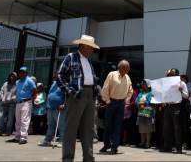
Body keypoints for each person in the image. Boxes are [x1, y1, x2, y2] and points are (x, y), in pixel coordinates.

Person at [57, 34, 100, 162]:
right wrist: (70, 91)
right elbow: (59, 75)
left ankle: (88, 158)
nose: (92, 51)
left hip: (89, 95)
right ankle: (68, 158)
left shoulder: (88, 61)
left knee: (88, 129)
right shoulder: (71, 57)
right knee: (71, 128)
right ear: (84, 46)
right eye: (91, 48)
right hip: (77, 95)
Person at [100, 59, 133, 155]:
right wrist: (107, 101)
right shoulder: (112, 74)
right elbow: (105, 88)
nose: (127, 70)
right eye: (125, 68)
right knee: (108, 125)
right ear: (120, 67)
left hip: (121, 104)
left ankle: (114, 147)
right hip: (111, 102)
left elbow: (130, 90)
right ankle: (106, 145)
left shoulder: (127, 77)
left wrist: (126, 100)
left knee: (118, 126)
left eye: (128, 68)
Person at [6, 66, 36, 144]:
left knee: (24, 120)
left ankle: (23, 138)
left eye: (23, 72)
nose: (21, 73)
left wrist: (32, 99)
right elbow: (14, 90)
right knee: (18, 120)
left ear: (26, 73)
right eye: (20, 72)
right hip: (18, 103)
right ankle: (17, 137)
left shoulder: (29, 81)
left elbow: (34, 90)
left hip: (26, 102)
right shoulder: (17, 82)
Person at [161, 68, 188, 153]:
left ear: (177, 75)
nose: (171, 75)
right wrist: (163, 101)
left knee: (177, 128)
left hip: (176, 107)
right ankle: (167, 147)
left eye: (173, 74)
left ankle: (178, 148)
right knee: (166, 128)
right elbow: (163, 94)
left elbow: (186, 96)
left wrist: (181, 91)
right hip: (167, 107)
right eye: (170, 74)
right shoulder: (166, 84)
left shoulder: (182, 83)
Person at [38, 72, 65, 148]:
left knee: (61, 125)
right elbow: (50, 94)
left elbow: (67, 96)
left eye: (56, 75)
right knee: (50, 125)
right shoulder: (54, 83)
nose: (54, 76)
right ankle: (47, 140)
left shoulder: (64, 84)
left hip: (59, 108)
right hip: (50, 108)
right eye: (54, 75)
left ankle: (62, 141)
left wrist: (64, 104)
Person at [0, 72, 17, 136]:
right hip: (4, 103)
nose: (12, 77)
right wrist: (1, 96)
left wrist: (12, 97)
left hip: (12, 104)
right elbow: (1, 91)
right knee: (0, 117)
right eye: (11, 76)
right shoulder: (5, 83)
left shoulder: (17, 85)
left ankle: (8, 132)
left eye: (13, 76)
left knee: (10, 119)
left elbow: (18, 94)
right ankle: (1, 130)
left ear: (15, 78)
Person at [135, 79, 155, 148]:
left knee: (148, 128)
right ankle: (142, 142)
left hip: (148, 112)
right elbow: (136, 100)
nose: (143, 85)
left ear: (148, 85)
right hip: (141, 112)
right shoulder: (140, 93)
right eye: (142, 84)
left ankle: (147, 143)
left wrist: (144, 103)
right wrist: (138, 103)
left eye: (145, 84)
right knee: (141, 128)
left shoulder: (151, 93)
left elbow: (151, 101)